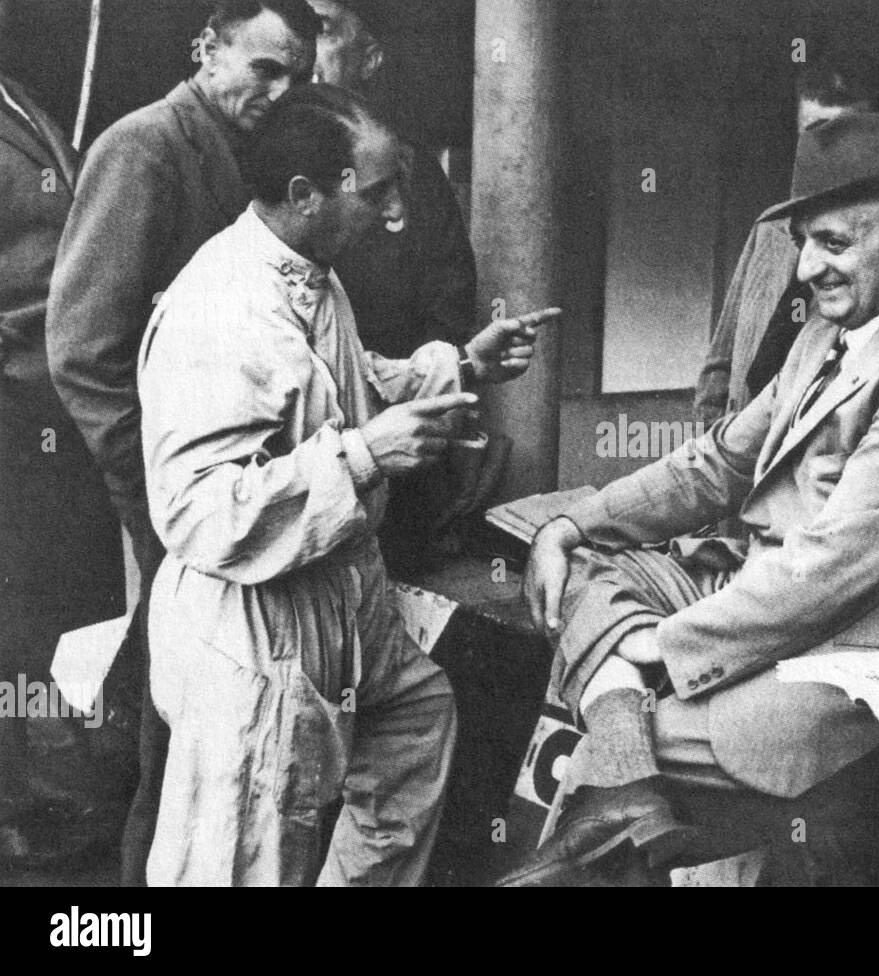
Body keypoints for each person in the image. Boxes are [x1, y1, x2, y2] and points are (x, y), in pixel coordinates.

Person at [500, 112, 879, 887]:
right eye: (803, 243)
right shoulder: (829, 333)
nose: (805, 268)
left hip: (851, 659)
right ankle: (622, 806)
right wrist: (572, 524)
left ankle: (614, 806)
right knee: (577, 568)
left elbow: (828, 570)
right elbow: (718, 462)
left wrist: (662, 645)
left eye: (830, 243)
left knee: (627, 740)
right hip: (758, 599)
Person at [137, 83, 557, 885]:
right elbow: (197, 513)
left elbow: (343, 382)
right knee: (244, 852)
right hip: (256, 619)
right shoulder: (220, 307)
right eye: (377, 192)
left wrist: (462, 365)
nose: (396, 214)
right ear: (305, 194)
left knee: (416, 720)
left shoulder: (313, 276)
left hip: (340, 593)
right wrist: (362, 458)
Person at [46, 0, 321, 885]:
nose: (280, 93)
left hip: (234, 496)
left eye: (298, 77)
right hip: (175, 500)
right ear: (207, 48)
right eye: (264, 69)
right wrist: (155, 498)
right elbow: (83, 352)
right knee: (174, 739)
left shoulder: (243, 153)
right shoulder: (144, 147)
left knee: (200, 732)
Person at [306, 0, 481, 576]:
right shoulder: (254, 168)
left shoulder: (411, 171)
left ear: (371, 58)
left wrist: (414, 409)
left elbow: (448, 302)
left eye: (323, 29)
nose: (305, 48)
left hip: (394, 458)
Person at [0, 66, 124, 867]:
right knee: (13, 610)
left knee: (57, 598)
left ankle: (57, 776)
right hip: (13, 399)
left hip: (53, 400)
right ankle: (26, 804)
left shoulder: (18, 96)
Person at [693, 56, 879, 427]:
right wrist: (708, 437)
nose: (828, 155)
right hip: (740, 440)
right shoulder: (770, 228)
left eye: (844, 137)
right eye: (814, 135)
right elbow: (722, 359)